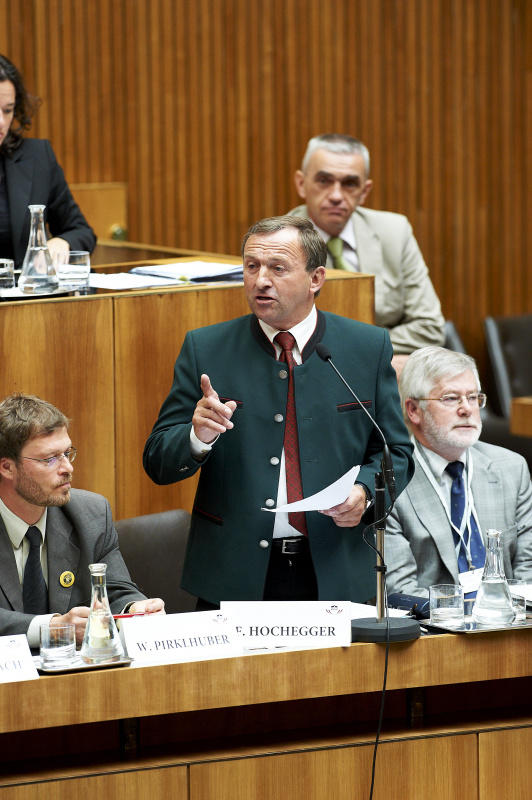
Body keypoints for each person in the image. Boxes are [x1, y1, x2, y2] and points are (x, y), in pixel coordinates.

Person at [143, 215, 414, 608]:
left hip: (337, 567)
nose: (260, 280)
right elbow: (158, 462)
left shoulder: (366, 348)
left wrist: (365, 494)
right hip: (234, 572)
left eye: (277, 268)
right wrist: (196, 437)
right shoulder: (207, 348)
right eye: (251, 266)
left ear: (315, 278)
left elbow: (396, 452)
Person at [0, 393, 164, 646]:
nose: (67, 468)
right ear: (7, 467)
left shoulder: (91, 513)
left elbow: (115, 591)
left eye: (67, 453)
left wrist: (133, 611)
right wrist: (52, 628)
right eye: (49, 459)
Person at [287, 133, 445, 377]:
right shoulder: (279, 242)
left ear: (364, 191)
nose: (337, 195)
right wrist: (373, 353)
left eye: (349, 184)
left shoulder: (394, 231)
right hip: (310, 373)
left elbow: (430, 328)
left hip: (384, 375)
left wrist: (366, 353)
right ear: (301, 183)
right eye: (324, 181)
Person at [385, 347, 532, 598]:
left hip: (508, 626)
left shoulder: (511, 467)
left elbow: (527, 569)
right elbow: (399, 591)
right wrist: (465, 616)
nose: (466, 409)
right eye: (451, 398)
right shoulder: (388, 480)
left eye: (473, 397)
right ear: (413, 410)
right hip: (433, 631)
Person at [0, 54, 96, 268]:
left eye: (7, 110)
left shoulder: (37, 158)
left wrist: (63, 242)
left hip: (26, 299)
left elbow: (80, 231)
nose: (1, 122)